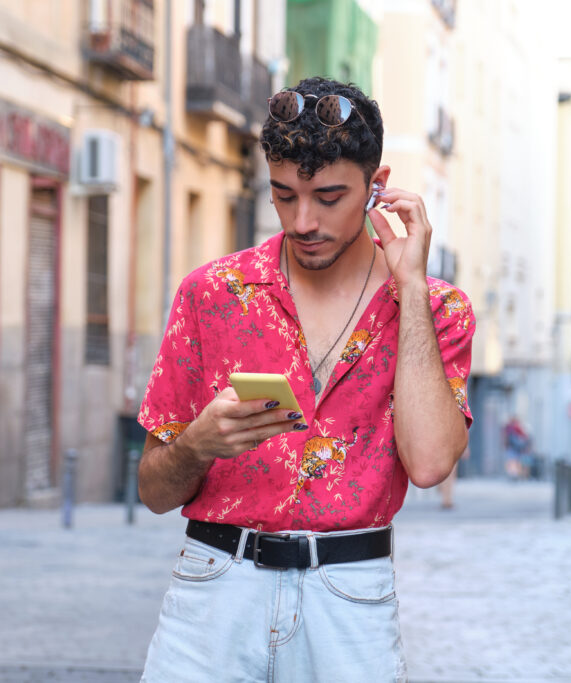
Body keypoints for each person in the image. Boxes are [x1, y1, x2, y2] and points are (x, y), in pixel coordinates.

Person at [135, 77, 475, 682]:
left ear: (378, 189)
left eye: (328, 196)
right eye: (284, 195)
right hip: (214, 589)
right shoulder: (212, 294)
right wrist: (197, 446)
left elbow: (427, 464)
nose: (304, 219)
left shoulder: (436, 310)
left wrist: (413, 287)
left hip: (350, 599)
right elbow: (155, 492)